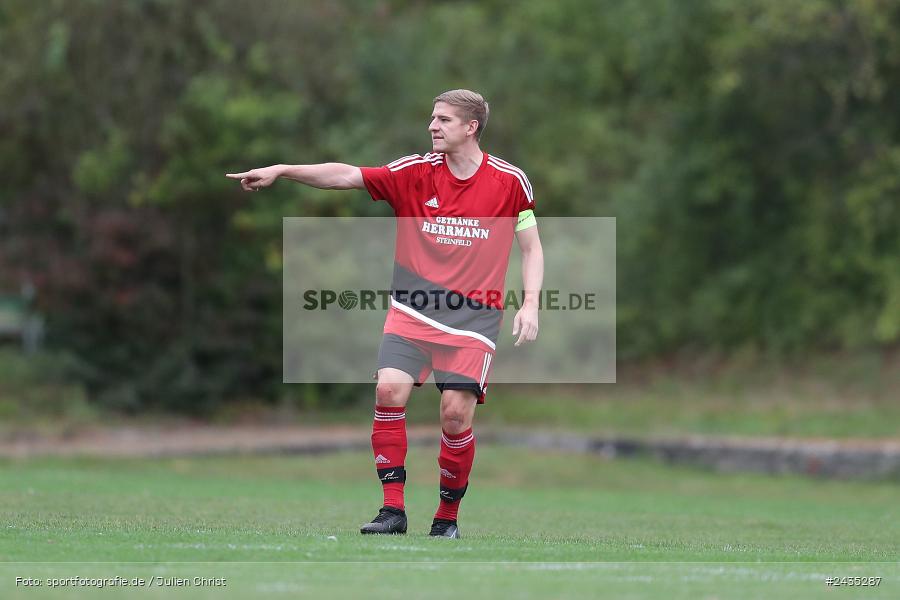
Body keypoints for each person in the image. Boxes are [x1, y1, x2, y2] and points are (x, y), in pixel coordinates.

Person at [226, 89, 543, 538]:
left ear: (471, 128)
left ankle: (446, 519)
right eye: (432, 118)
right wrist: (283, 170)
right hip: (412, 312)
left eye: (444, 120)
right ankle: (392, 512)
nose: (433, 126)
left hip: (473, 319)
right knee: (389, 391)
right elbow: (345, 175)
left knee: (454, 416)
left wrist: (530, 304)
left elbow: (531, 247)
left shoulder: (510, 182)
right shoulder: (413, 172)